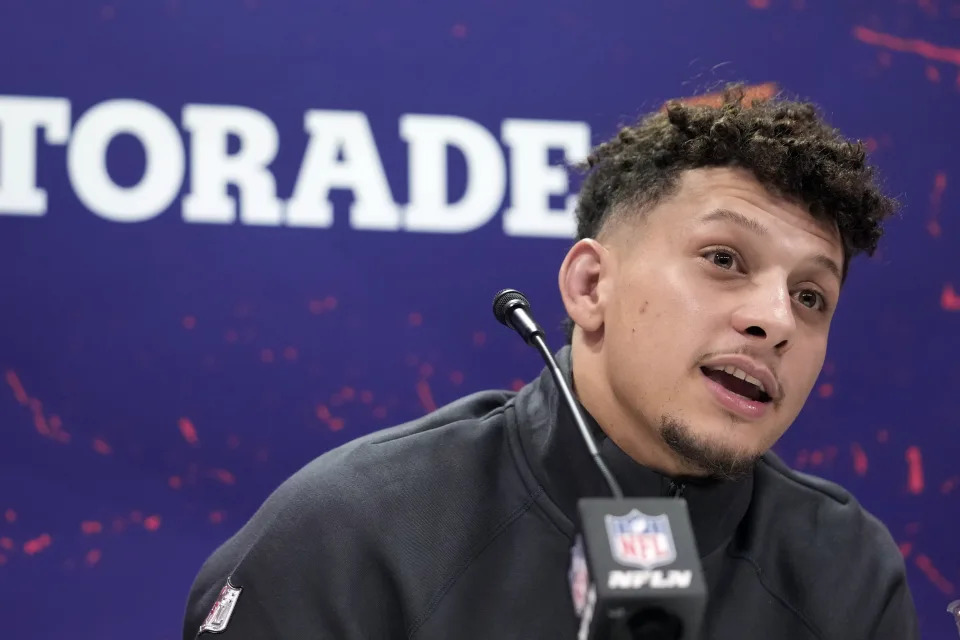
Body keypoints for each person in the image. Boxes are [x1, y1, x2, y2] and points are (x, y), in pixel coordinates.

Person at [182, 85, 918, 639]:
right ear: (591, 286)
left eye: (812, 296)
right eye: (724, 259)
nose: (776, 320)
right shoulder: (353, 531)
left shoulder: (845, 570)